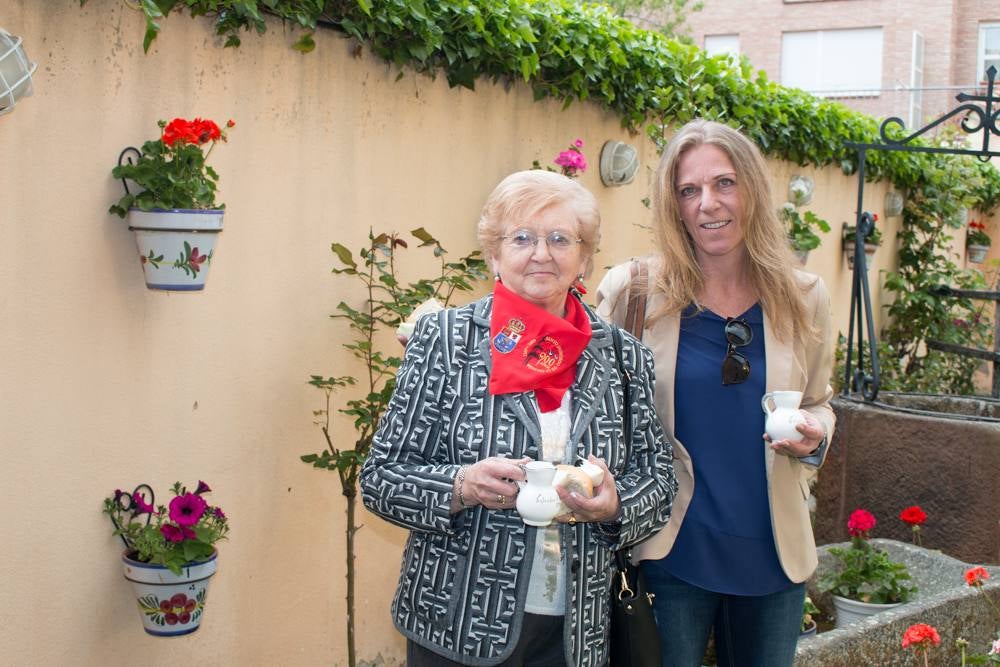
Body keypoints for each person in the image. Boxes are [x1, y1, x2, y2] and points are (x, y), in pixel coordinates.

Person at [360, 169, 676, 667]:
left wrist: (617, 505)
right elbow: (380, 479)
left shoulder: (623, 356)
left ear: (585, 257)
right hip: (456, 621)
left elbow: (659, 480)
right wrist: (462, 486)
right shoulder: (445, 340)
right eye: (522, 237)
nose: (542, 253)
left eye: (559, 238)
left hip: (577, 630)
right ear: (494, 254)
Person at [597, 119, 835, 667]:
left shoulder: (804, 297)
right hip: (671, 553)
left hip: (773, 556)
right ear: (673, 205)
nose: (708, 203)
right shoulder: (635, 292)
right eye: (689, 190)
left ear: (751, 188)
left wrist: (815, 433)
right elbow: (575, 385)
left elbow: (819, 398)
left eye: (724, 183)